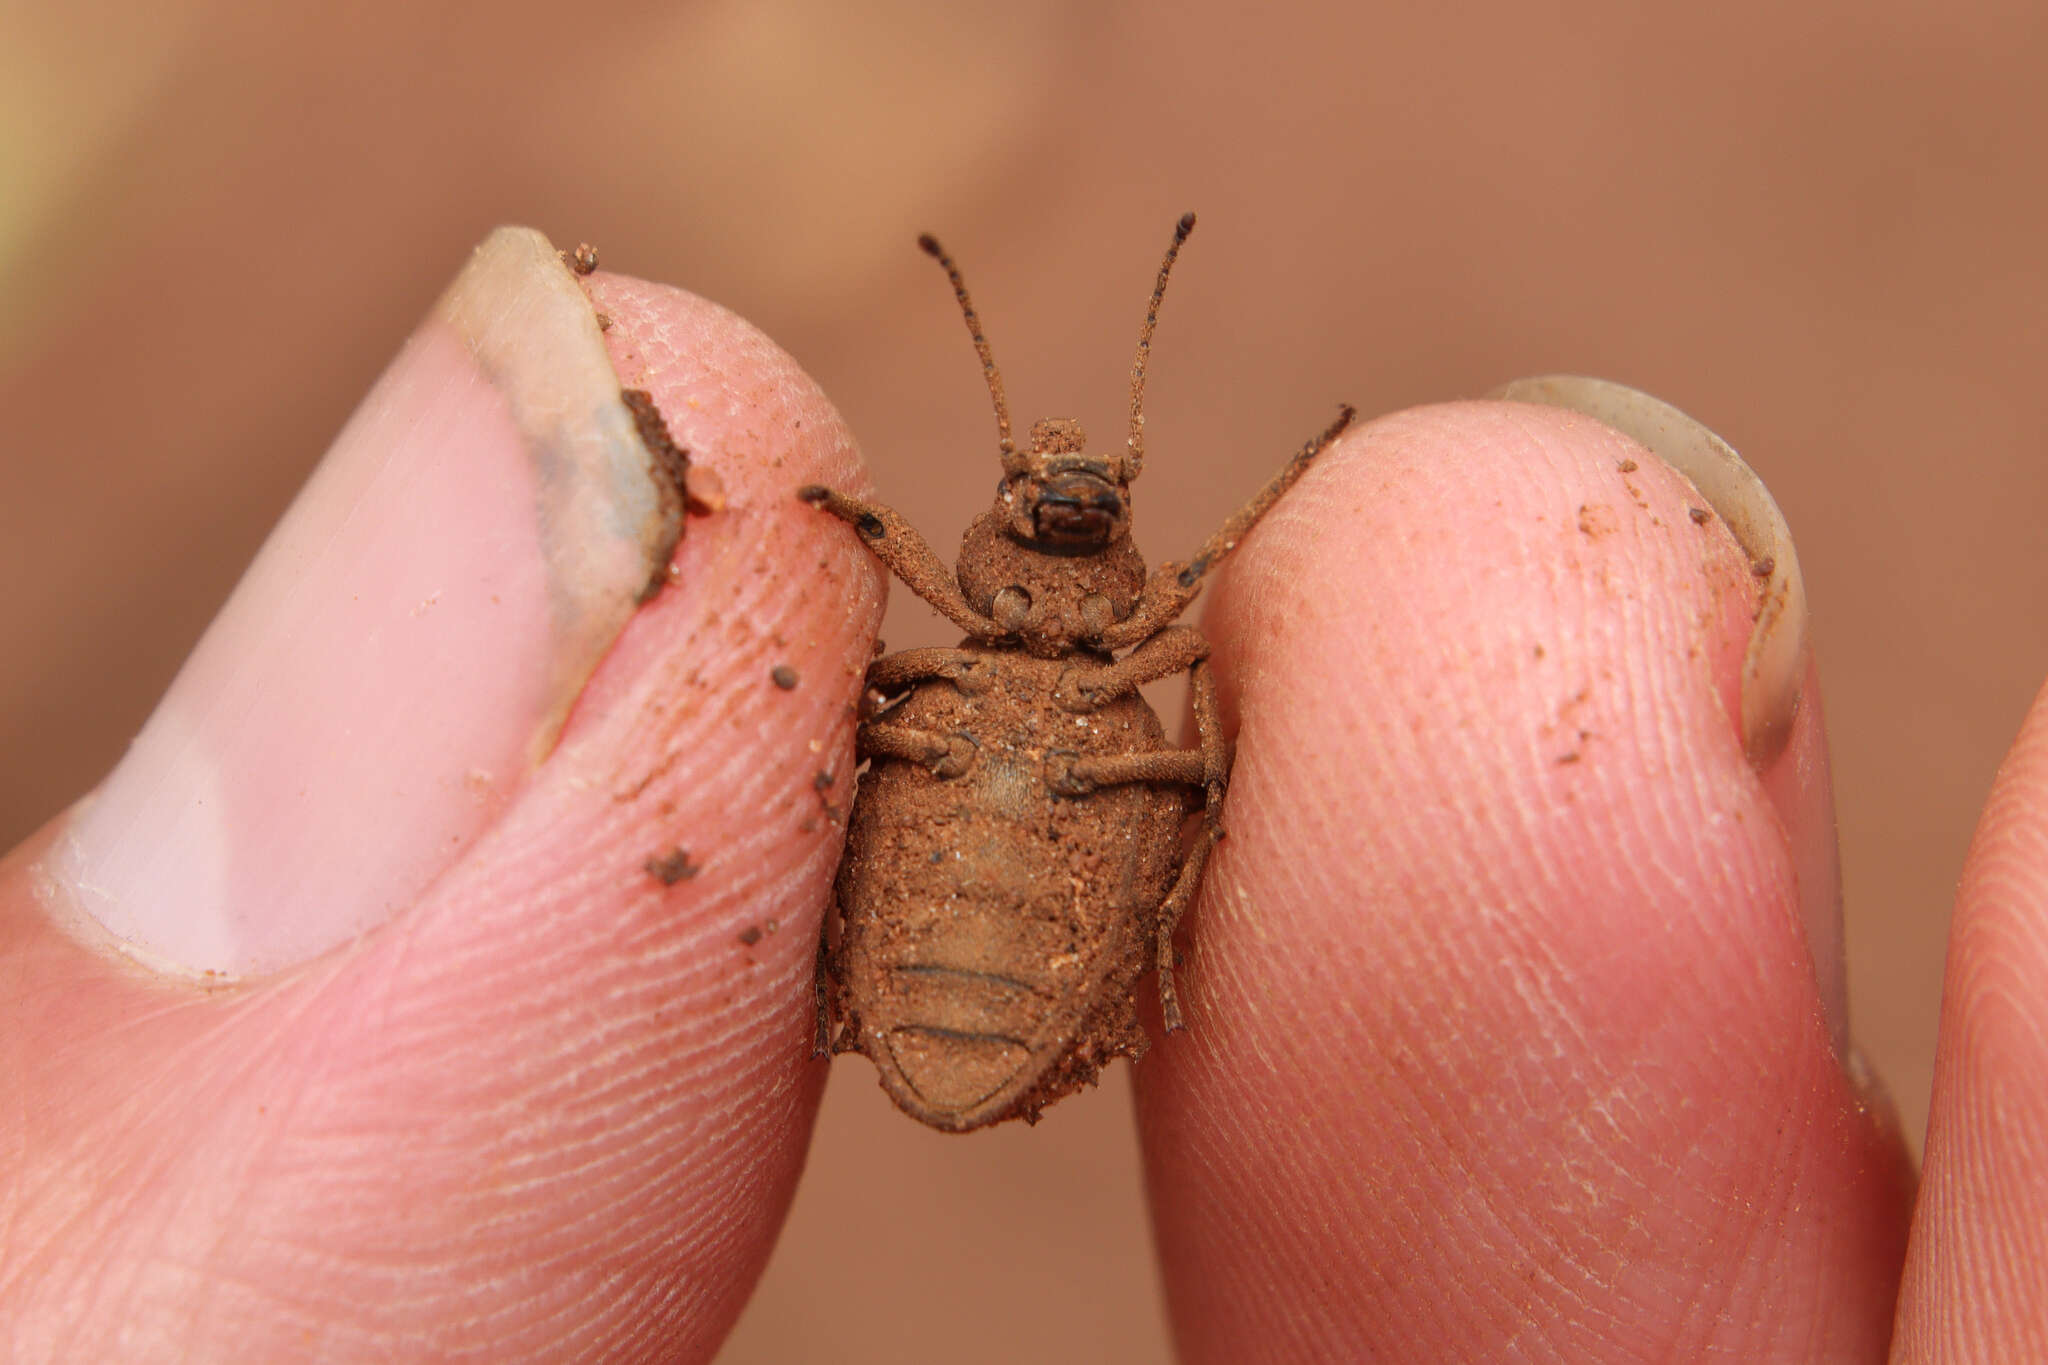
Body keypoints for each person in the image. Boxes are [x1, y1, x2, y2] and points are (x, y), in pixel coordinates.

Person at [0, 232, 2035, 1360]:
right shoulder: (975, 633)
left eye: (1099, 504)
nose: (1066, 519)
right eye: (1042, 503)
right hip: (1008, 885)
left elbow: (1176, 713)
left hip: (1005, 902)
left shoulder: (1061, 650)